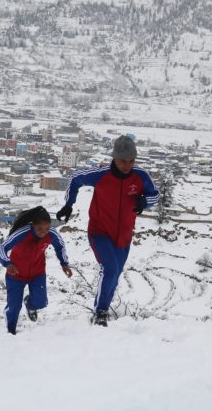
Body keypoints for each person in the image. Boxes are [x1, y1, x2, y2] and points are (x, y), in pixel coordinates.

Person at [56, 135, 159, 326]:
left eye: (131, 161)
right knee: (110, 269)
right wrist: (69, 204)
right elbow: (75, 179)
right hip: (100, 231)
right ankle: (101, 312)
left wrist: (144, 202)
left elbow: (156, 195)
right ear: (114, 158)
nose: (127, 165)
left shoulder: (141, 176)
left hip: (124, 236)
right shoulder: (101, 174)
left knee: (115, 273)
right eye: (122, 161)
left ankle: (100, 309)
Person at [0, 206, 72, 335]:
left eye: (47, 228)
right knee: (14, 306)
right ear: (33, 225)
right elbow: (1, 248)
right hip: (16, 274)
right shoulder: (22, 233)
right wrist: (7, 263)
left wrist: (64, 263)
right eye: (40, 229)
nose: (44, 232)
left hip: (37, 274)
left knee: (41, 302)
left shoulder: (52, 234)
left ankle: (30, 304)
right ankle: (10, 330)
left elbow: (60, 246)